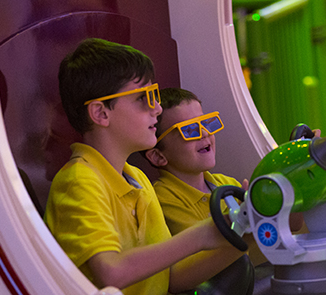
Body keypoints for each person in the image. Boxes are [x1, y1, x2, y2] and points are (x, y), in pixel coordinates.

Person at [43, 38, 246, 295]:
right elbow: (111, 272)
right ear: (101, 113)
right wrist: (203, 234)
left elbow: (172, 278)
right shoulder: (79, 181)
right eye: (144, 98)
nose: (157, 108)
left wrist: (243, 234)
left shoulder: (136, 177)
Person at [143, 88, 306, 266]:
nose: (205, 133)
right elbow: (204, 261)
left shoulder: (226, 184)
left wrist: (299, 174)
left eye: (206, 124)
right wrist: (251, 220)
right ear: (158, 157)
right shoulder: (163, 199)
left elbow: (292, 224)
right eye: (190, 130)